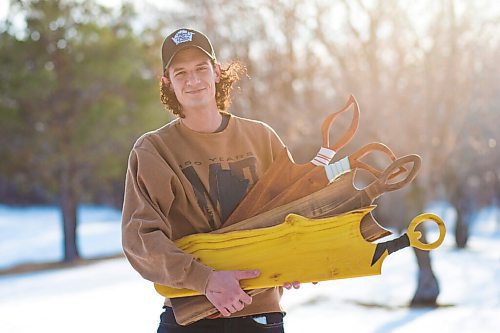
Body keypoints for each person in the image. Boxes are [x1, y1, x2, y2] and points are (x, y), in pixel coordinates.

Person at [121, 28, 299, 333]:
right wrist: (204, 279)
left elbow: (295, 212)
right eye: (181, 73)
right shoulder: (154, 150)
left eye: (201, 68)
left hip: (260, 316)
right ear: (166, 82)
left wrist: (296, 259)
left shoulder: (262, 137)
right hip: (190, 317)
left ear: (217, 72)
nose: (193, 80)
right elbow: (139, 239)